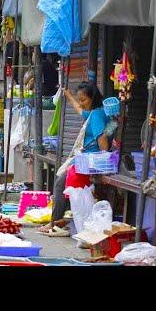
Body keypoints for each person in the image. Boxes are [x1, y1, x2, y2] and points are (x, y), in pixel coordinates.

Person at [39, 81, 110, 235]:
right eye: (80, 99)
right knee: (61, 182)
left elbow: (102, 139)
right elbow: (79, 110)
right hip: (85, 160)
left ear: (93, 98)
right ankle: (60, 220)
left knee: (60, 183)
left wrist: (104, 163)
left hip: (92, 162)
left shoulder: (97, 115)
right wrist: (69, 96)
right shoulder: (93, 112)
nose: (81, 103)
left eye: (83, 99)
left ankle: (55, 223)